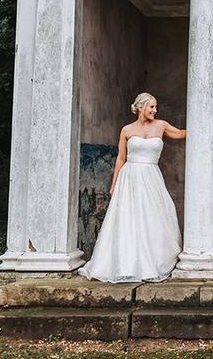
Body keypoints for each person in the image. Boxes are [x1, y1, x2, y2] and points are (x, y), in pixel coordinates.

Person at [78, 92, 186, 282]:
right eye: (151, 106)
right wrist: (114, 185)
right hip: (130, 177)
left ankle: (152, 262)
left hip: (151, 177)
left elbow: (182, 134)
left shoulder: (161, 126)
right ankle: (127, 264)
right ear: (141, 107)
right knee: (129, 219)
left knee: (154, 216)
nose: (155, 110)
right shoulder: (127, 130)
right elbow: (121, 158)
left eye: (155, 106)